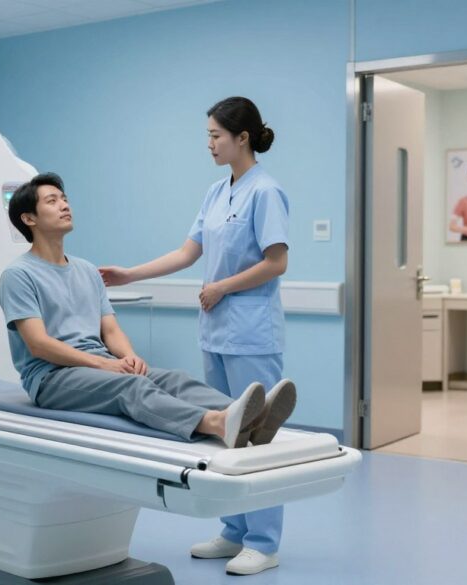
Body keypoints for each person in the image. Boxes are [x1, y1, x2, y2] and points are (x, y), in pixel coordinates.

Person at [99, 97, 294, 576]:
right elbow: (187, 253)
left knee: (257, 437)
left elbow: (277, 262)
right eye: (207, 135)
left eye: (215, 135)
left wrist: (221, 287)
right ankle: (233, 531)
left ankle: (264, 541)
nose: (208, 144)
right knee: (226, 432)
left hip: (251, 331)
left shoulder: (266, 191)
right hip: (217, 330)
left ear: (241, 137)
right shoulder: (215, 192)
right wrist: (129, 276)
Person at [0, 172, 296, 450]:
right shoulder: (19, 275)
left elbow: (110, 330)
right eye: (52, 201)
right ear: (29, 218)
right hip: (52, 378)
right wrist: (104, 366)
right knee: (131, 387)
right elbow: (38, 344)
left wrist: (129, 356)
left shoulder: (86, 270)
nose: (64, 205)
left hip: (98, 366)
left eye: (64, 199)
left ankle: (252, 417)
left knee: (172, 378)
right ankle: (217, 424)